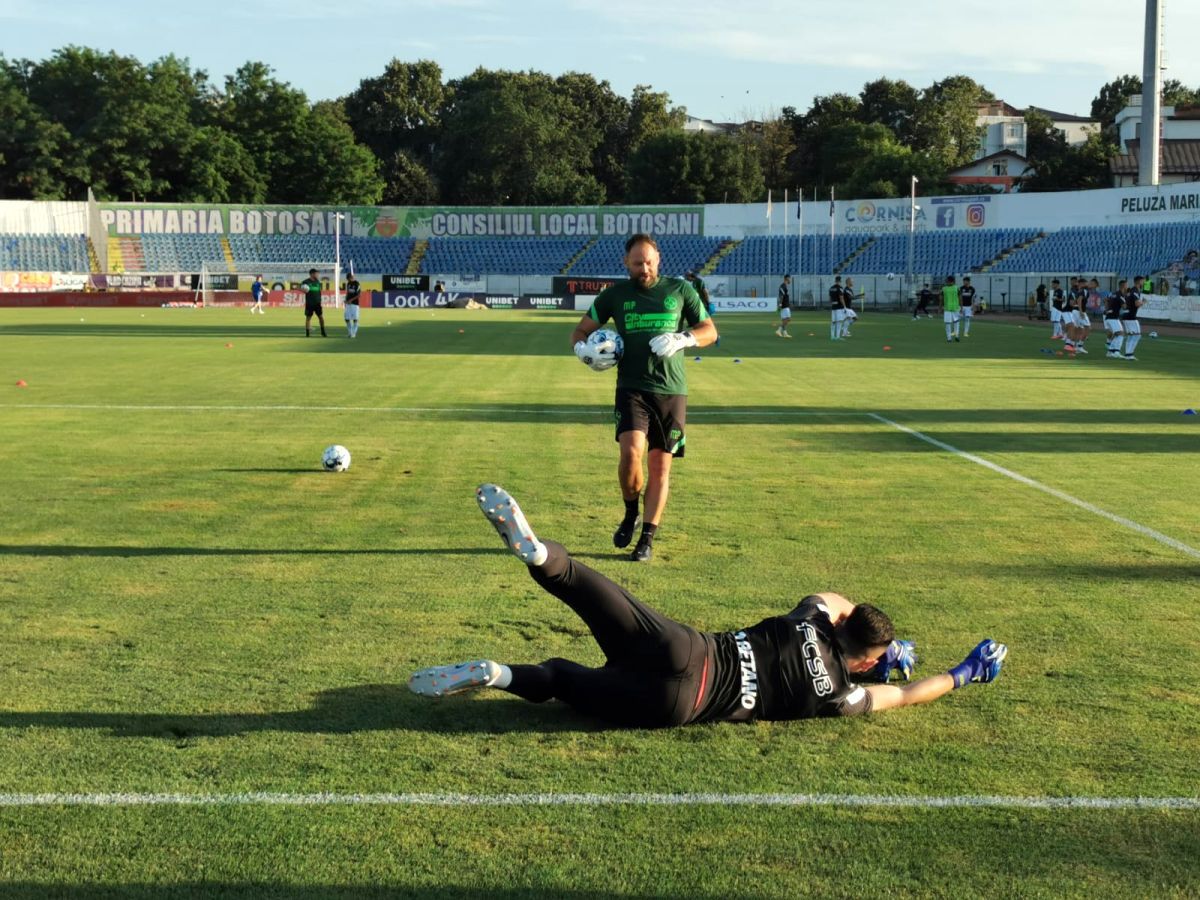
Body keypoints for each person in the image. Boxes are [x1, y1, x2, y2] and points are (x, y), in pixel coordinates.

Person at [408, 484, 1009, 728]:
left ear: (843, 623)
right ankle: (499, 675)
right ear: (859, 664)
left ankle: (539, 553)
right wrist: (963, 673)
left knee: (588, 591)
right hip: (682, 702)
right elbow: (904, 694)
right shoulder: (839, 695)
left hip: (685, 647)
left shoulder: (809, 619)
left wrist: (869, 632)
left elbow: (835, 597)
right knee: (569, 682)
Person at [570, 234, 718, 563]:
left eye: (649, 262)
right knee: (630, 453)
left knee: (660, 466)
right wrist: (582, 349)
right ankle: (629, 511)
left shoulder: (681, 290)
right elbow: (580, 331)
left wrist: (684, 339)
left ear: (658, 259)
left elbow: (710, 330)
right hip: (631, 387)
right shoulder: (615, 295)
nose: (645, 268)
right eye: (638, 263)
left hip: (671, 390)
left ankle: (646, 539)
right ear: (627, 263)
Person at [686, 270, 718, 346]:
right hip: (699, 303)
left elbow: (705, 292)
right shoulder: (694, 282)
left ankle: (715, 337)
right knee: (699, 321)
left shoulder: (699, 281)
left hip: (703, 304)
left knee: (705, 321)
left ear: (691, 276)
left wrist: (708, 302)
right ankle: (700, 336)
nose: (686, 278)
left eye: (687, 276)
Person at [1120, 278, 1145, 361]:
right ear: (1139, 282)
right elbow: (1137, 303)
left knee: (1131, 335)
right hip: (1131, 316)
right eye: (1143, 281)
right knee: (1137, 335)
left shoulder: (1130, 291)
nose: (1143, 283)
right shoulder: (1135, 291)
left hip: (1126, 315)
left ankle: (1128, 354)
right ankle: (1129, 354)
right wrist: (1143, 302)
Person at [1103, 279, 1127, 359]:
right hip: (1113, 317)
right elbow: (1124, 307)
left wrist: (1107, 310)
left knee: (1118, 334)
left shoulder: (1113, 294)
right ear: (1123, 286)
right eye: (1126, 285)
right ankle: (1116, 352)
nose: (1127, 287)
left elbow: (1105, 301)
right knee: (1121, 334)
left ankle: (1110, 352)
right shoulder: (1120, 295)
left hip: (1109, 317)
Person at [301, 268, 327, 337]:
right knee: (308, 318)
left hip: (317, 303)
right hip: (310, 303)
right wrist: (303, 289)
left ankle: (323, 332)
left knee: (321, 317)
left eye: (317, 273)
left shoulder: (317, 282)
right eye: (316, 273)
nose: (317, 275)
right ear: (312, 274)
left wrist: (320, 300)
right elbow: (302, 289)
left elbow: (319, 292)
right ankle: (307, 333)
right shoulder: (306, 282)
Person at [941, 275, 961, 342]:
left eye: (947, 281)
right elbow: (941, 298)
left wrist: (961, 305)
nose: (946, 282)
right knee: (948, 323)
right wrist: (940, 307)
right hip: (947, 308)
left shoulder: (956, 288)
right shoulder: (944, 289)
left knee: (956, 322)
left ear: (951, 281)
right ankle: (949, 338)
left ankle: (957, 336)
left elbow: (960, 297)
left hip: (955, 308)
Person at [344, 272, 362, 339]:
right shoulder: (348, 284)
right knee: (346, 319)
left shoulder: (357, 284)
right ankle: (350, 332)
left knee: (355, 319)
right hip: (348, 304)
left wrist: (351, 300)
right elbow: (348, 292)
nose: (348, 281)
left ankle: (353, 333)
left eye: (348, 279)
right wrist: (346, 299)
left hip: (355, 304)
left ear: (351, 278)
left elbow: (359, 295)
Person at [829, 276, 846, 340]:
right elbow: (841, 298)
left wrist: (833, 303)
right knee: (839, 322)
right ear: (840, 281)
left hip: (833, 307)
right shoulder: (840, 288)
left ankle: (832, 336)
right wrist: (844, 306)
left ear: (835, 280)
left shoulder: (831, 288)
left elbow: (830, 299)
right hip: (839, 307)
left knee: (833, 321)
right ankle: (838, 336)